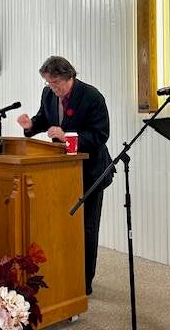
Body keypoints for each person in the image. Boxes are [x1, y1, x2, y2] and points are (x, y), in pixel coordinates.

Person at [16, 56, 112, 296]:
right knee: (62, 227)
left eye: (56, 83)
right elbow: (43, 119)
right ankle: (65, 273)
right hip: (61, 172)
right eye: (49, 83)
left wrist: (66, 136)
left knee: (86, 229)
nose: (53, 88)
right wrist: (30, 126)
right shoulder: (48, 94)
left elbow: (100, 135)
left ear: (70, 76)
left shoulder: (92, 97)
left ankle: (83, 282)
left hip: (90, 173)